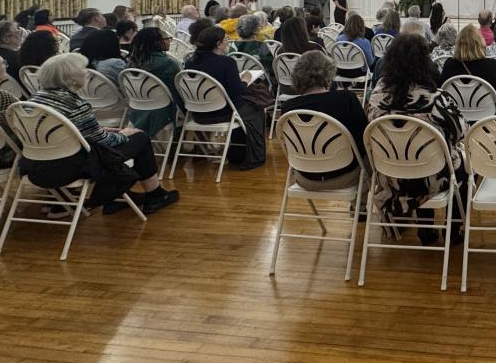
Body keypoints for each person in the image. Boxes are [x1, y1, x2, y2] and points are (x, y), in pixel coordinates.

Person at [24, 53, 178, 214]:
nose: (87, 72)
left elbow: (67, 131)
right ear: (71, 79)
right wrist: (124, 134)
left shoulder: (34, 100)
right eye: (83, 69)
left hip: (37, 165)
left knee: (124, 139)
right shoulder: (75, 104)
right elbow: (103, 141)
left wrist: (101, 130)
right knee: (141, 138)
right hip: (71, 166)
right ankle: (155, 195)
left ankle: (116, 197)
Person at [366, 34, 466, 243]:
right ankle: (453, 229)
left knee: (421, 154)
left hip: (389, 176)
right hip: (430, 178)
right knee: (457, 161)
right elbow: (460, 133)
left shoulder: (375, 97)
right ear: (425, 62)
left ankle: (425, 228)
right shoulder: (437, 99)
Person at [278, 51, 368, 191]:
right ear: (328, 74)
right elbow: (364, 139)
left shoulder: (288, 108)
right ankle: (363, 202)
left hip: (305, 178)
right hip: (346, 176)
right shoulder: (346, 99)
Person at [183, 26, 268, 170]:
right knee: (256, 108)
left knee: (244, 105)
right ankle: (249, 154)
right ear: (218, 43)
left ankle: (236, 151)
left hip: (197, 113)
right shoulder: (227, 62)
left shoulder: (190, 63)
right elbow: (237, 91)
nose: (227, 42)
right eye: (225, 39)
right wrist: (245, 80)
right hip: (222, 113)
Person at [441, 24, 496, 103]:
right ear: (480, 43)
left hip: (456, 108)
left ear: (458, 44)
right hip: (488, 109)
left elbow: (442, 87)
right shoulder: (493, 66)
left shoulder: (449, 65)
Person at [231, 13, 274, 80]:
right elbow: (271, 66)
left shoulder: (233, 45)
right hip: (258, 79)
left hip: (237, 78)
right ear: (255, 30)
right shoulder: (261, 46)